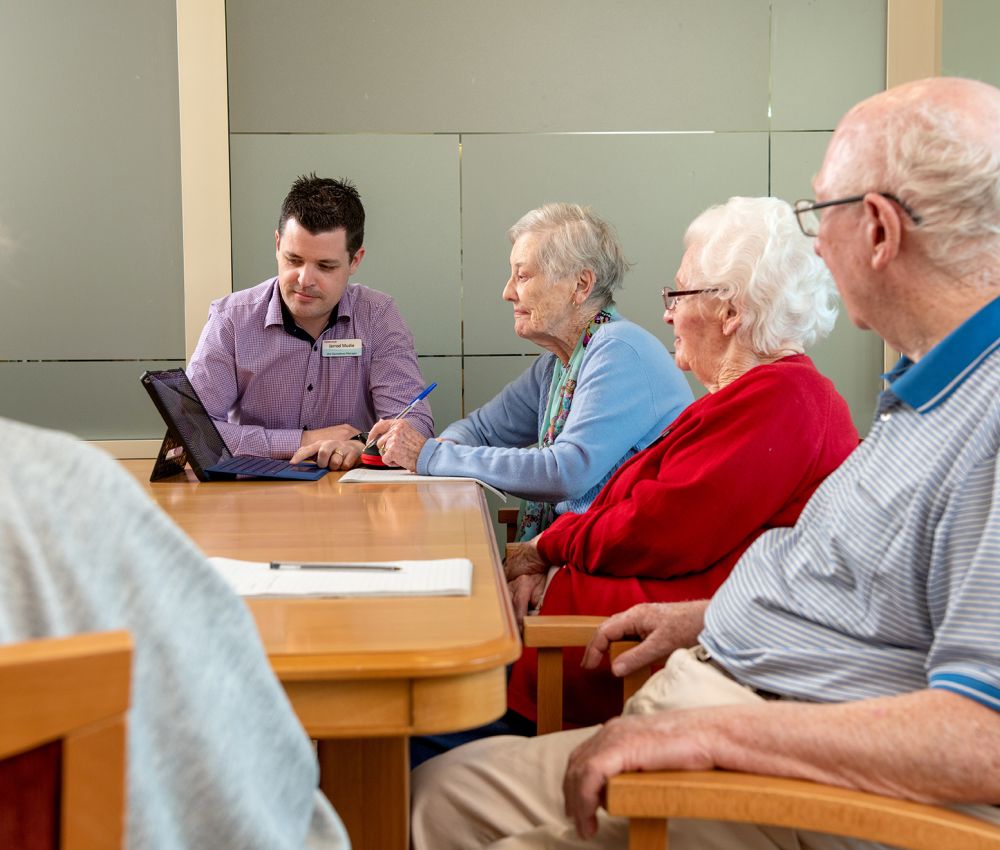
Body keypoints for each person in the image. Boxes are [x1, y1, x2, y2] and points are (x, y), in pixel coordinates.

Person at [409, 77, 1000, 850]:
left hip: (781, 761)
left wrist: (716, 738)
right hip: (712, 688)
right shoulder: (921, 398)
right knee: (430, 797)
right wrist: (705, 620)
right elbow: (856, 600)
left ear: (881, 231)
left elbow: (982, 738)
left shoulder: (980, 420)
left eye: (822, 215)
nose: (815, 247)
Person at [498, 196, 859, 733]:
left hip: (621, 678)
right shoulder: (754, 399)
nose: (666, 312)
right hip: (586, 650)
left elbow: (656, 526)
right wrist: (550, 564)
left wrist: (545, 550)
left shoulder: (783, 398)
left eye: (679, 294)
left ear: (731, 312)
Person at [0, 415, 350, 849]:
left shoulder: (64, 492)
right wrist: (305, 439)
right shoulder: (65, 491)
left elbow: (415, 422)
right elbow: (262, 808)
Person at [346, 203, 691, 538]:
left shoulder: (619, 350)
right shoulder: (559, 364)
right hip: (583, 545)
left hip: (623, 555)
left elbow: (563, 472)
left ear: (581, 285)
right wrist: (437, 447)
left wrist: (428, 454)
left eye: (522, 276)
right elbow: (480, 428)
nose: (507, 292)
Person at [188, 173, 432, 471]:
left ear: (355, 260)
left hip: (354, 499)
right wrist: (302, 441)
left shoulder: (378, 316)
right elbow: (192, 431)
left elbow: (414, 426)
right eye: (293, 260)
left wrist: (358, 446)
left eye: (325, 266)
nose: (305, 280)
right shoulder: (231, 320)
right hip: (255, 499)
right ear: (278, 245)